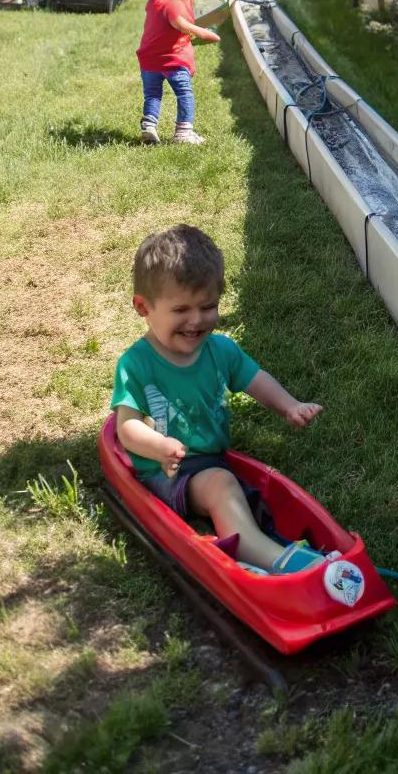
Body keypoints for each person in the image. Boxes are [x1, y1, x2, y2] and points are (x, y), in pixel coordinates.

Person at [111, 225, 325, 575]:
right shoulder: (137, 364)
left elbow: (256, 380)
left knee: (229, 486)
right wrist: (159, 447)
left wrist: (289, 405)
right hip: (166, 469)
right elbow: (126, 427)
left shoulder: (220, 350)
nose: (196, 321)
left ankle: (263, 546)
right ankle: (270, 559)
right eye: (181, 310)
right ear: (143, 307)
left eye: (208, 306)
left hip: (209, 459)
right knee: (222, 486)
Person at [137, 0, 219, 146]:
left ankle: (149, 124)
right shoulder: (173, 3)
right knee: (184, 93)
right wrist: (204, 33)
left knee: (153, 94)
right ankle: (183, 132)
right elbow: (181, 24)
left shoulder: (154, 0)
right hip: (172, 61)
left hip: (149, 61)